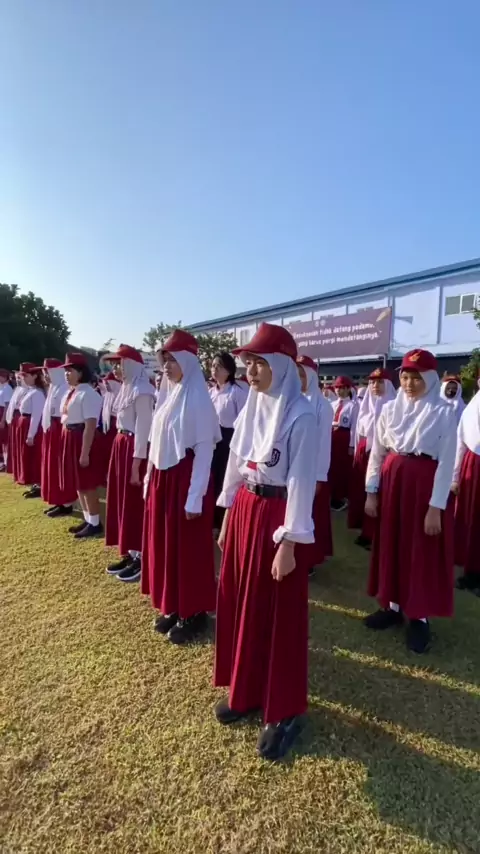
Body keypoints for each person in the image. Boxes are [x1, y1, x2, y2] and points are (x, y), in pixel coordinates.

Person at [214, 323, 317, 762]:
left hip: (278, 518)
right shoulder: (253, 405)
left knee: (279, 613)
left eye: (259, 362)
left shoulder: (302, 415)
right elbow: (237, 462)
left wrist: (290, 542)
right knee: (244, 601)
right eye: (248, 363)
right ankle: (247, 688)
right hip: (246, 509)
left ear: (281, 365)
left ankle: (284, 710)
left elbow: (301, 481)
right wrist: (227, 514)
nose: (251, 371)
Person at [364, 349, 457, 654]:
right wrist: (371, 491)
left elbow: (447, 463)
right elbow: (377, 453)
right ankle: (391, 606)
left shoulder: (444, 413)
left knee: (419, 548)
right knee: (391, 542)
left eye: (417, 378)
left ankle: (418, 616)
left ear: (430, 379)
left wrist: (436, 507)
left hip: (423, 487)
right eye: (405, 376)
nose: (409, 383)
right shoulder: (390, 410)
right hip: (393, 483)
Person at [141, 329, 220, 644]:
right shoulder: (168, 396)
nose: (167, 366)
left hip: (185, 480)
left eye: (173, 359)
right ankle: (174, 604)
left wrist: (194, 497)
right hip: (164, 479)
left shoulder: (198, 398)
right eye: (164, 360)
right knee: (166, 545)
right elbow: (156, 442)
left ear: (187, 361)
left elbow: (205, 451)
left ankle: (194, 612)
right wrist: (149, 478)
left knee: (188, 549)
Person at [105, 345, 155, 582]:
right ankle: (130, 550)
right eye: (114, 364)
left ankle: (141, 555)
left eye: (120, 364)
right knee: (122, 500)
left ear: (132, 365)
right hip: (122, 443)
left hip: (135, 449)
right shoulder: (126, 388)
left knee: (134, 502)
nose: (116, 369)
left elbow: (143, 429)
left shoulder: (143, 391)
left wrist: (136, 463)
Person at [348, 368, 396, 549]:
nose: (375, 385)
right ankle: (364, 529)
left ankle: (375, 533)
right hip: (364, 454)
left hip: (382, 456)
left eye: (380, 382)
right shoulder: (365, 406)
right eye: (373, 382)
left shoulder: (394, 407)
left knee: (380, 494)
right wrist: (355, 451)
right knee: (363, 492)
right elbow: (358, 432)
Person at [60, 353, 104, 539]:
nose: (66, 374)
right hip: (71, 436)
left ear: (80, 372)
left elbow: (90, 425)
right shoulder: (73, 392)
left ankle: (95, 523)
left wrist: (85, 452)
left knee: (87, 483)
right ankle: (88, 519)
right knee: (79, 482)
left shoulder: (88, 394)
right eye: (65, 371)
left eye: (70, 371)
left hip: (81, 438)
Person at [296, 354, 333, 574]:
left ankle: (308, 560)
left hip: (311, 469)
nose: (298, 379)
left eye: (302, 375)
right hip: (293, 467)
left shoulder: (322, 406)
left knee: (309, 514)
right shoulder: (291, 399)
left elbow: (323, 443)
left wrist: (320, 475)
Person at [209, 352, 248, 530]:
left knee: (225, 480)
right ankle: (212, 519)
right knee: (212, 478)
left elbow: (243, 422)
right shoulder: (211, 392)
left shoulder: (237, 392)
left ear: (229, 370)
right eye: (213, 366)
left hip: (229, 440)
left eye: (219, 366)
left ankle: (223, 522)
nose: (215, 369)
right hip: (212, 440)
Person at [452, 373, 480, 591]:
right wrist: (454, 476)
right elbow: (460, 442)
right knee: (473, 519)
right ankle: (472, 572)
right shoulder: (471, 408)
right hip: (474, 466)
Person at [40, 358, 76, 517]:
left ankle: (66, 502)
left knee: (59, 466)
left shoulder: (63, 388)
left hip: (59, 429)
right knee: (52, 466)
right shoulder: (53, 388)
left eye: (47, 372)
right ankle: (57, 500)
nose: (45, 376)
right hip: (51, 429)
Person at [17, 363, 45, 498]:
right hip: (25, 423)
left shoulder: (38, 393)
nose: (23, 378)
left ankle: (38, 484)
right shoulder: (30, 391)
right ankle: (34, 483)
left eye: (26, 375)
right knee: (27, 456)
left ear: (34, 376)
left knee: (34, 456)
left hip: (31, 425)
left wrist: (31, 434)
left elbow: (36, 415)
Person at [329, 376, 357, 511]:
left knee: (341, 468)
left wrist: (351, 445)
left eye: (341, 388)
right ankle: (331, 494)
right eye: (337, 388)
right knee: (331, 467)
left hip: (343, 437)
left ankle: (340, 497)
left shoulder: (353, 406)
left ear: (348, 389)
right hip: (331, 436)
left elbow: (354, 427)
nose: (338, 391)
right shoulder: (332, 404)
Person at [101, 371, 122, 483]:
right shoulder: (107, 396)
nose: (106, 385)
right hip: (107, 429)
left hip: (115, 428)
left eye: (108, 383)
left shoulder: (120, 395)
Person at [6, 374, 27, 481]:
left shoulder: (27, 390)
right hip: (15, 417)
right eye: (17, 378)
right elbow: (11, 405)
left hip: (20, 416)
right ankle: (16, 471)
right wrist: (9, 418)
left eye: (20, 378)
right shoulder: (17, 389)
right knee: (15, 446)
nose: (18, 380)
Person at [0, 369, 13, 472]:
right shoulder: (2, 387)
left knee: (5, 440)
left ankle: (6, 462)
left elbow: (7, 405)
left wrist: (3, 420)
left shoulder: (7, 388)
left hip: (2, 413)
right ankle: (3, 461)